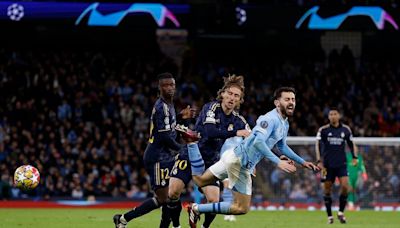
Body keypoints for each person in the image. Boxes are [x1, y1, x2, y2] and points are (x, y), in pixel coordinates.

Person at [185, 87, 319, 228]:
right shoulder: (269, 119)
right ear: (277, 103)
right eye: (287, 99)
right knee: (241, 208)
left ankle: (191, 144)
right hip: (241, 163)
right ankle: (196, 208)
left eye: (293, 99)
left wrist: (303, 162)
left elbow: (282, 146)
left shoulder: (284, 123)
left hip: (233, 157)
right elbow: (258, 142)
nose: (291, 102)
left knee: (199, 180)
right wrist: (278, 161)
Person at [167, 75, 251, 228]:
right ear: (223, 94)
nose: (232, 98)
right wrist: (235, 133)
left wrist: (278, 157)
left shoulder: (239, 121)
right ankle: (177, 226)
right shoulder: (211, 108)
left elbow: (254, 141)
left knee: (213, 200)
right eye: (230, 94)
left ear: (239, 100)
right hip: (189, 155)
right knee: (173, 192)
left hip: (210, 161)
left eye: (236, 96)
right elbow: (210, 131)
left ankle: (204, 227)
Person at [113, 72, 195, 228]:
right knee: (164, 198)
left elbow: (167, 125)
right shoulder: (161, 106)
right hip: (157, 157)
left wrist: (179, 116)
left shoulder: (169, 105)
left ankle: (127, 220)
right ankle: (123, 219)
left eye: (172, 85)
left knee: (170, 196)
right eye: (166, 85)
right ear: (160, 87)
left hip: (166, 156)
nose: (170, 88)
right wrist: (182, 149)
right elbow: (164, 137)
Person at [315, 108, 358, 224]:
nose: (333, 116)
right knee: (327, 189)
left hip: (341, 164)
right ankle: (330, 216)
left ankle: (340, 212)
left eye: (335, 114)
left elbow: (351, 144)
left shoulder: (345, 129)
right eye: (331, 114)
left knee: (345, 187)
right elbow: (318, 145)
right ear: (328, 117)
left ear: (339, 116)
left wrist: (355, 157)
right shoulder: (323, 130)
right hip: (326, 166)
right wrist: (319, 161)